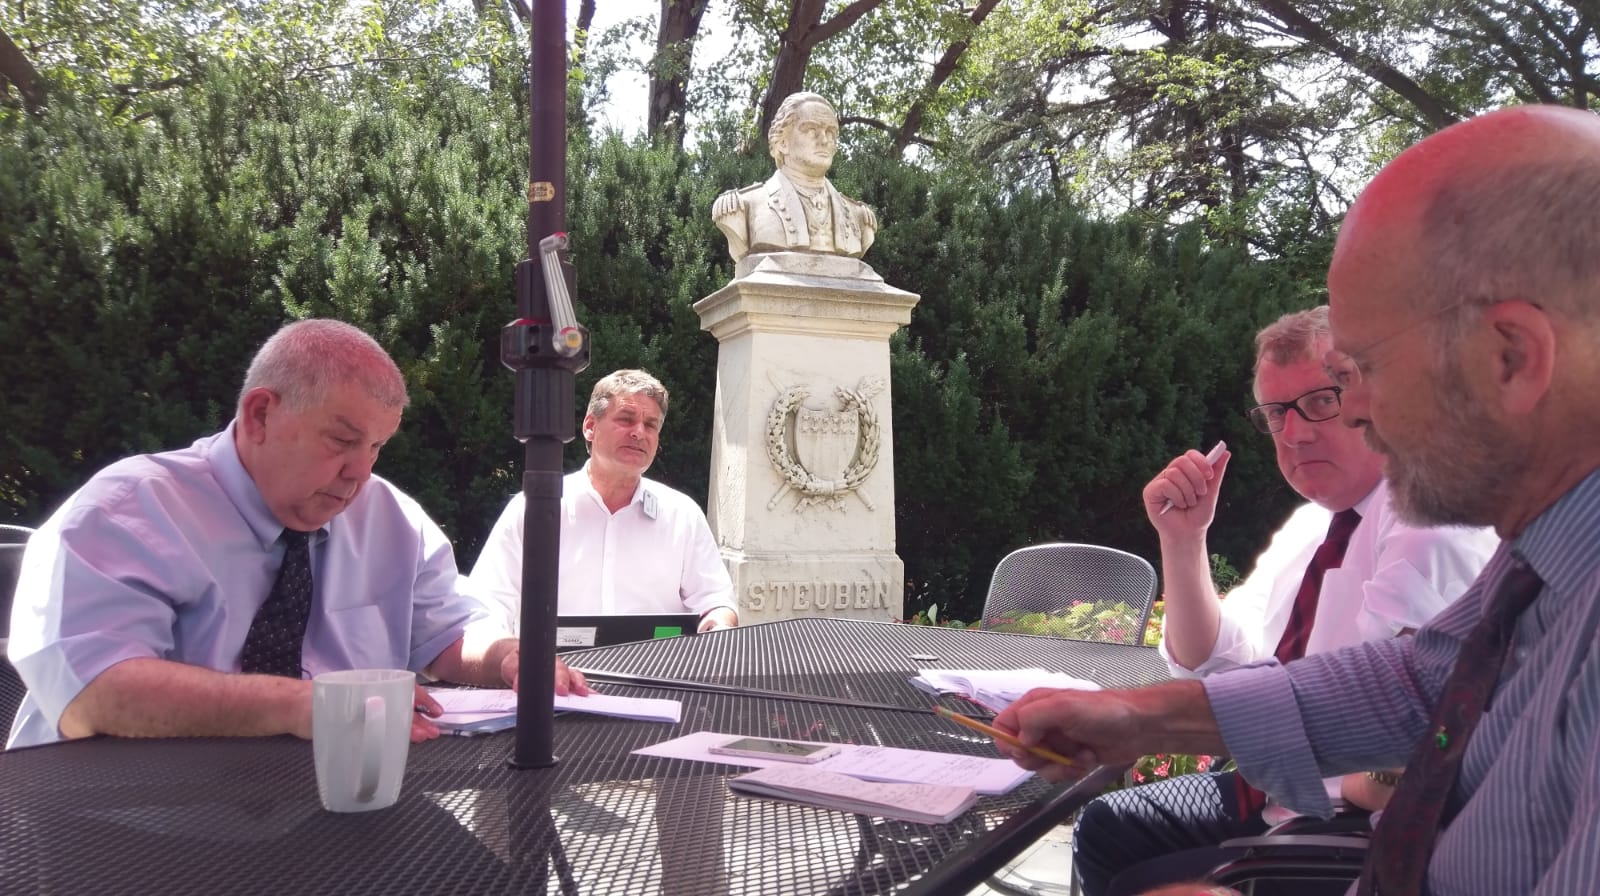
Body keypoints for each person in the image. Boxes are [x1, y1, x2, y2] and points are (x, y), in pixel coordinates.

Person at [993, 104, 1600, 895]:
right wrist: (1143, 718)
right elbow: (1421, 682)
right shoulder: (1545, 562)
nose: (1354, 411)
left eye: (1364, 371)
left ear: (1509, 357)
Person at [1071, 307, 1498, 896]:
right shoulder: (1312, 525)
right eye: (1276, 412)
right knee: (1107, 825)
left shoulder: (1427, 524)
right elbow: (1212, 660)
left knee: (1141, 883)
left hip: (1356, 826)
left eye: (1320, 401)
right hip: (1279, 790)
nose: (1294, 434)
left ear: (1372, 396)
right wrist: (1184, 539)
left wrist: (1350, 785)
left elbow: (1411, 728)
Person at [5, 319, 588, 750]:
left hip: (331, 810)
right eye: (342, 440)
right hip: (120, 824)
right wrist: (305, 706)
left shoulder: (390, 519)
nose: (360, 472)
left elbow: (446, 632)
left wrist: (507, 656)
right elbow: (94, 689)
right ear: (260, 415)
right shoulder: (129, 510)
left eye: (377, 447)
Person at [470, 369, 738, 634]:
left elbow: (715, 599)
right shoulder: (534, 509)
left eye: (650, 425)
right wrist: (503, 653)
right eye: (626, 419)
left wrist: (718, 622)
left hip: (656, 662)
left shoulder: (682, 515)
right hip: (556, 663)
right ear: (590, 427)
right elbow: (489, 603)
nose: (639, 433)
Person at [712, 92, 878, 263]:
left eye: (830, 132)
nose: (824, 140)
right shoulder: (744, 206)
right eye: (811, 130)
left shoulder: (858, 216)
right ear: (783, 143)